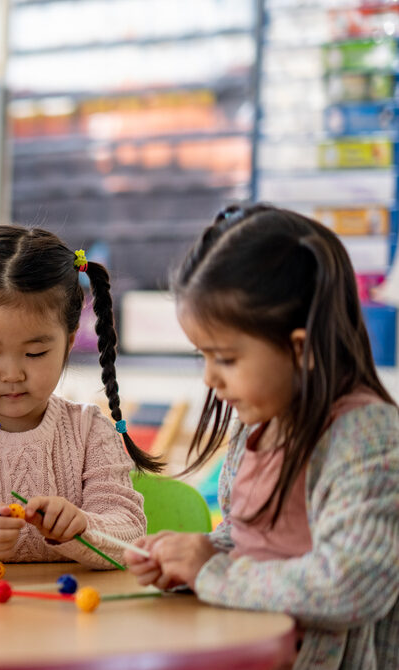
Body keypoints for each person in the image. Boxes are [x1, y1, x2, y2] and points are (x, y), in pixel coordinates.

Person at [125, 204, 399, 669]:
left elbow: (352, 584)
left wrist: (213, 572)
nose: (210, 378)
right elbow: (249, 539)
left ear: (300, 348)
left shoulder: (368, 438)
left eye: (226, 359)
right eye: (202, 357)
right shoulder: (258, 422)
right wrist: (195, 557)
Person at [0, 225, 156, 569]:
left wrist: (82, 526)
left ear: (67, 343)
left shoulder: (88, 429)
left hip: (72, 612)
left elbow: (129, 533)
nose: (12, 374)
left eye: (35, 353)